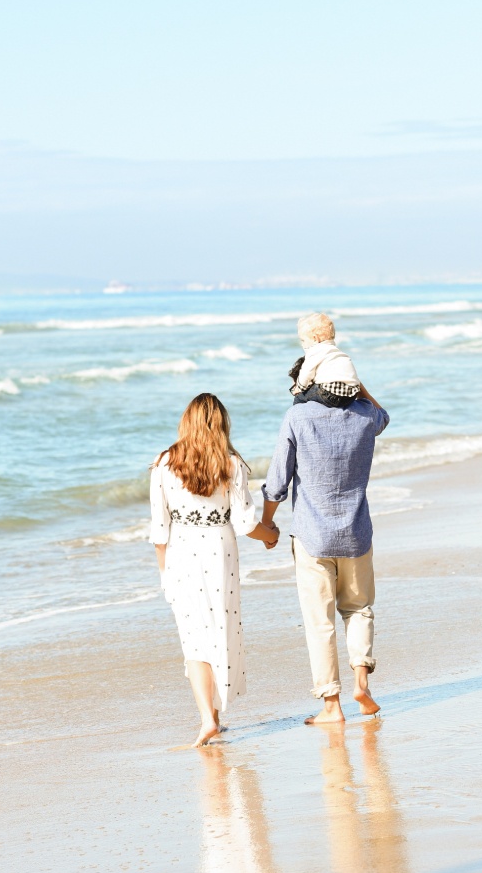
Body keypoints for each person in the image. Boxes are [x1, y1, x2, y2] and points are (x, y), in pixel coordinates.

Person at [262, 323, 390, 725]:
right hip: (356, 533)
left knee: (320, 622)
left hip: (313, 538)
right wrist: (357, 385)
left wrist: (267, 526)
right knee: (359, 609)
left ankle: (331, 706)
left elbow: (278, 482)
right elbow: (383, 413)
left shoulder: (298, 418)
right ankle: (362, 685)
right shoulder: (366, 417)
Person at [150, 392, 279, 746]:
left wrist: (164, 576)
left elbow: (159, 531)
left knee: (193, 639)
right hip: (218, 550)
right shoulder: (232, 463)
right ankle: (214, 716)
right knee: (219, 630)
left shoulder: (163, 463)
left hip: (181, 552)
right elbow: (244, 523)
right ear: (221, 423)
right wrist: (271, 536)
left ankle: (208, 718)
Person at [289, 312, 361, 408]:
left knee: (299, 398)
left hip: (330, 394)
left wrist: (299, 387)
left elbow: (307, 372)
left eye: (303, 340)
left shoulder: (315, 351)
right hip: (351, 395)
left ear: (315, 339)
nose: (302, 344)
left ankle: (299, 416)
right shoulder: (336, 352)